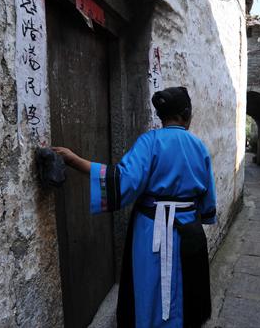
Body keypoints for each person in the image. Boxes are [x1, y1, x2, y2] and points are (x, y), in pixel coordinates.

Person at [53, 86, 217, 328]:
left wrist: (74, 160)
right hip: (188, 230)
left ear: (162, 117)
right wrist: (198, 215)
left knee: (148, 284)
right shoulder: (199, 146)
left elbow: (121, 181)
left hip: (150, 229)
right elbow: (207, 199)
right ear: (187, 114)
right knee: (186, 286)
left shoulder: (149, 142)